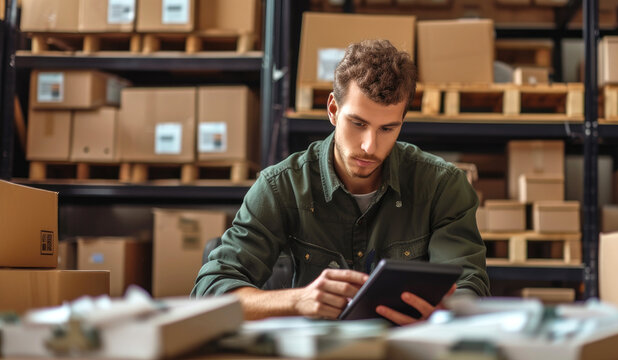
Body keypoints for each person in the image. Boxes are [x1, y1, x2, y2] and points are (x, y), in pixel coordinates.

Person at [192, 39, 490, 325]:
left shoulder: (443, 187)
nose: (369, 147)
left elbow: (468, 287)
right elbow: (209, 292)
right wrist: (297, 301)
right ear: (333, 110)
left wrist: (444, 311)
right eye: (358, 124)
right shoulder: (280, 186)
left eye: (387, 128)